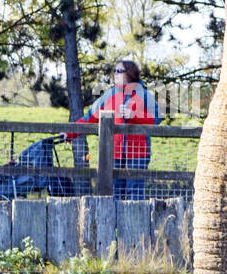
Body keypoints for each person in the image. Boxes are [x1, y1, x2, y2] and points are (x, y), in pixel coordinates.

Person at [62, 60, 160, 200]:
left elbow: (155, 119)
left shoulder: (144, 95)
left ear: (130, 74)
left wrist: (135, 116)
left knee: (135, 195)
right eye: (114, 71)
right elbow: (89, 118)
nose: (115, 74)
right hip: (113, 155)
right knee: (114, 195)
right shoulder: (108, 96)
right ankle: (115, 223)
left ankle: (133, 222)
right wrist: (70, 133)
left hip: (138, 154)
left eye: (119, 71)